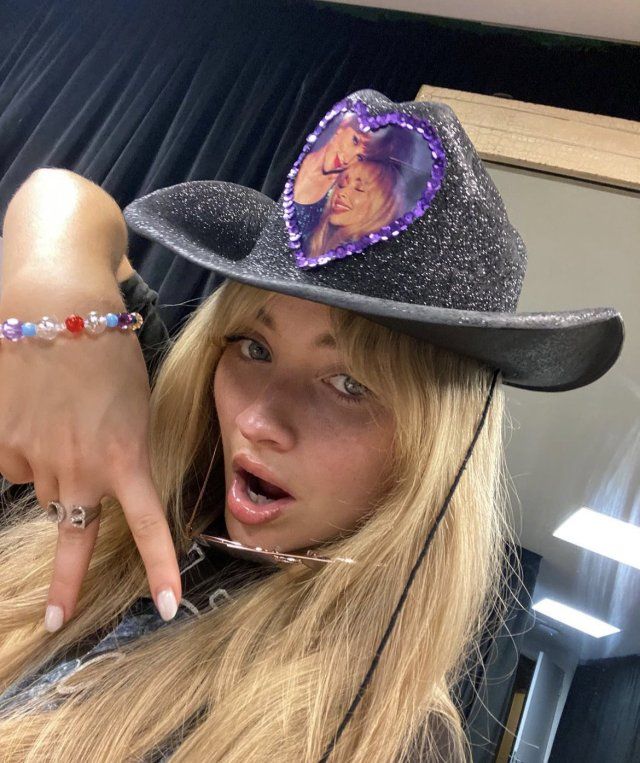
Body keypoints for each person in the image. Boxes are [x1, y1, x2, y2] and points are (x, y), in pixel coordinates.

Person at [0, 89, 623, 761]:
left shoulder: (380, 738)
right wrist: (51, 294)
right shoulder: (152, 463)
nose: (259, 419)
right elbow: (61, 198)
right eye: (254, 347)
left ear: (433, 454)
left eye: (349, 384)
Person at [306, 159, 403, 261]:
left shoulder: (371, 258)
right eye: (341, 184)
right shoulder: (311, 242)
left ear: (382, 205)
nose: (342, 192)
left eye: (359, 188)